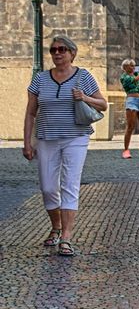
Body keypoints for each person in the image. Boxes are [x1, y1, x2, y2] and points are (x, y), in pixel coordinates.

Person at [23, 35, 108, 257]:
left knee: (70, 184)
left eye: (62, 49)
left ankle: (66, 237)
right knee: (49, 187)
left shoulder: (83, 77)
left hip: (76, 137)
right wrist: (27, 142)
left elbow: (103, 104)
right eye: (53, 50)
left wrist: (85, 98)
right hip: (46, 137)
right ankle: (56, 226)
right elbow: (31, 112)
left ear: (72, 53)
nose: (57, 53)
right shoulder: (40, 79)